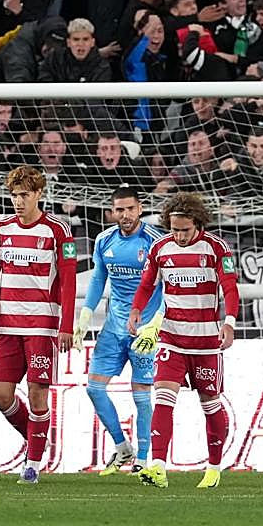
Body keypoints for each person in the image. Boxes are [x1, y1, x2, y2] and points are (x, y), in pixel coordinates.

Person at [129, 192, 240, 490]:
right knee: (163, 398)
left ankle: (214, 468)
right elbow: (146, 285)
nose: (178, 235)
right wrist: (136, 311)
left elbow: (230, 289)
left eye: (185, 230)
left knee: (210, 403)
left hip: (206, 342)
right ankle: (158, 467)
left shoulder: (217, 248)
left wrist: (228, 324)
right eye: (174, 229)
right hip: (172, 339)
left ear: (198, 224)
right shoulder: (160, 249)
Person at [0, 166, 77, 485]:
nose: (18, 202)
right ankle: (38, 438)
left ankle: (32, 463)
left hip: (42, 326)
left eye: (24, 195)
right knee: (0, 395)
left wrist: (66, 325)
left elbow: (69, 282)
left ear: (38, 195)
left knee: (37, 394)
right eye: (14, 195)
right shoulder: (1, 228)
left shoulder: (58, 230)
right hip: (6, 325)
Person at [74, 187, 165, 475]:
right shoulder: (104, 240)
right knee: (94, 388)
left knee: (141, 394)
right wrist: (85, 316)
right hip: (113, 328)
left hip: (144, 330)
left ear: (140, 209)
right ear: (112, 211)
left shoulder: (155, 242)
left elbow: (167, 285)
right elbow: (99, 278)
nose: (124, 215)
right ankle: (121, 446)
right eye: (119, 210)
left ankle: (142, 456)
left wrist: (155, 325)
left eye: (130, 209)